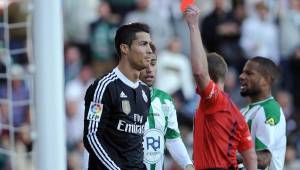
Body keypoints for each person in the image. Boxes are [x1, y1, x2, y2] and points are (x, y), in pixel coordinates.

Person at [184, 4, 257, 170]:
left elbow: (200, 73)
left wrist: (193, 26)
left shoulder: (214, 100)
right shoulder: (236, 112)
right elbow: (250, 156)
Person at [83, 22, 152, 169]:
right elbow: (92, 136)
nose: (149, 50)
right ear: (124, 48)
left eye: (150, 45)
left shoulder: (145, 92)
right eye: (143, 44)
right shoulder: (103, 87)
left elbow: (135, 142)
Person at [139, 44, 194, 170]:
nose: (149, 69)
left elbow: (172, 138)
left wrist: (188, 165)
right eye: (145, 63)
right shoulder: (121, 96)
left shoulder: (165, 100)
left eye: (153, 64)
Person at [239, 56, 287, 170]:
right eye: (242, 72)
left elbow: (263, 159)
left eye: (249, 73)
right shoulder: (244, 111)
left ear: (266, 79)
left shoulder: (269, 110)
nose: (241, 76)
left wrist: (225, 155)